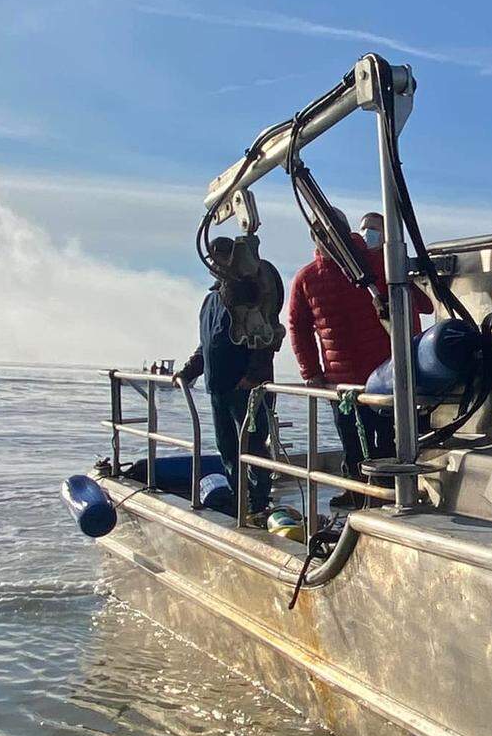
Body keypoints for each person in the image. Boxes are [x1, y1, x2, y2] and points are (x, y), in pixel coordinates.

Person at [288, 210, 432, 508]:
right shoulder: (309, 278)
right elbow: (298, 327)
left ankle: (380, 499)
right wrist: (311, 373)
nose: (326, 237)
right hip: (348, 383)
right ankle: (364, 498)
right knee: (358, 443)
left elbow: (422, 305)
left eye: (330, 230)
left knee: (382, 442)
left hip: (382, 376)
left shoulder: (376, 263)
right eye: (321, 231)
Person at [176, 237, 283, 519]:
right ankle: (240, 500)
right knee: (227, 447)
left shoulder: (251, 293)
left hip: (246, 388)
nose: (215, 263)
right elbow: (207, 343)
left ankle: (259, 502)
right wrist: (189, 371)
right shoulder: (211, 300)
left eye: (221, 256)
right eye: (212, 258)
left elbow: (264, 337)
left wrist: (253, 376)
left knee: (253, 445)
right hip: (218, 388)